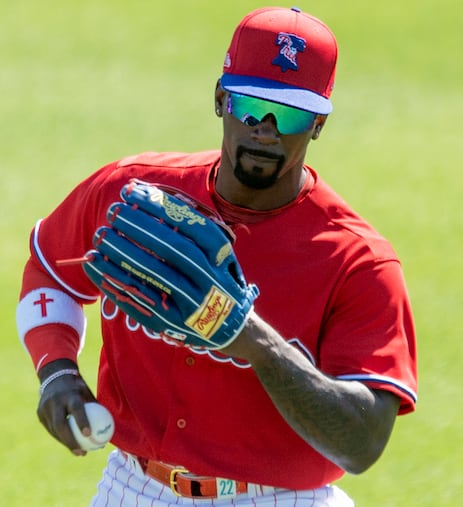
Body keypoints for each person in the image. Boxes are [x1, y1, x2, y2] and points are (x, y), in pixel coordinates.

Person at [16, 6, 417, 506]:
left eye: (289, 114)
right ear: (220, 99)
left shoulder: (358, 262)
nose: (265, 130)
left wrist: (253, 341)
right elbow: (49, 273)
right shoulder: (129, 193)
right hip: (131, 487)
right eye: (250, 106)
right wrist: (57, 372)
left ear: (317, 125)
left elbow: (363, 444)